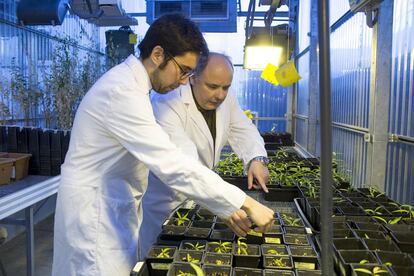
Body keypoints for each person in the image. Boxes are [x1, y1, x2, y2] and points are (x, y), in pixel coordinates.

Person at [52, 14, 274, 276]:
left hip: (112, 208)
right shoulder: (122, 92)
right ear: (158, 55)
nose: (183, 81)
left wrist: (245, 178)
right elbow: (173, 163)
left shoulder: (133, 86)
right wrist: (246, 202)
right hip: (95, 216)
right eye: (183, 70)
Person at [139, 53, 270, 256]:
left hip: (204, 195)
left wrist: (257, 159)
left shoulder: (227, 98)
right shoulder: (166, 103)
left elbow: (242, 128)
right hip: (168, 201)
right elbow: (185, 165)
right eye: (212, 86)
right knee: (162, 258)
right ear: (192, 77)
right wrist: (237, 202)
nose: (220, 95)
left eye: (225, 87)